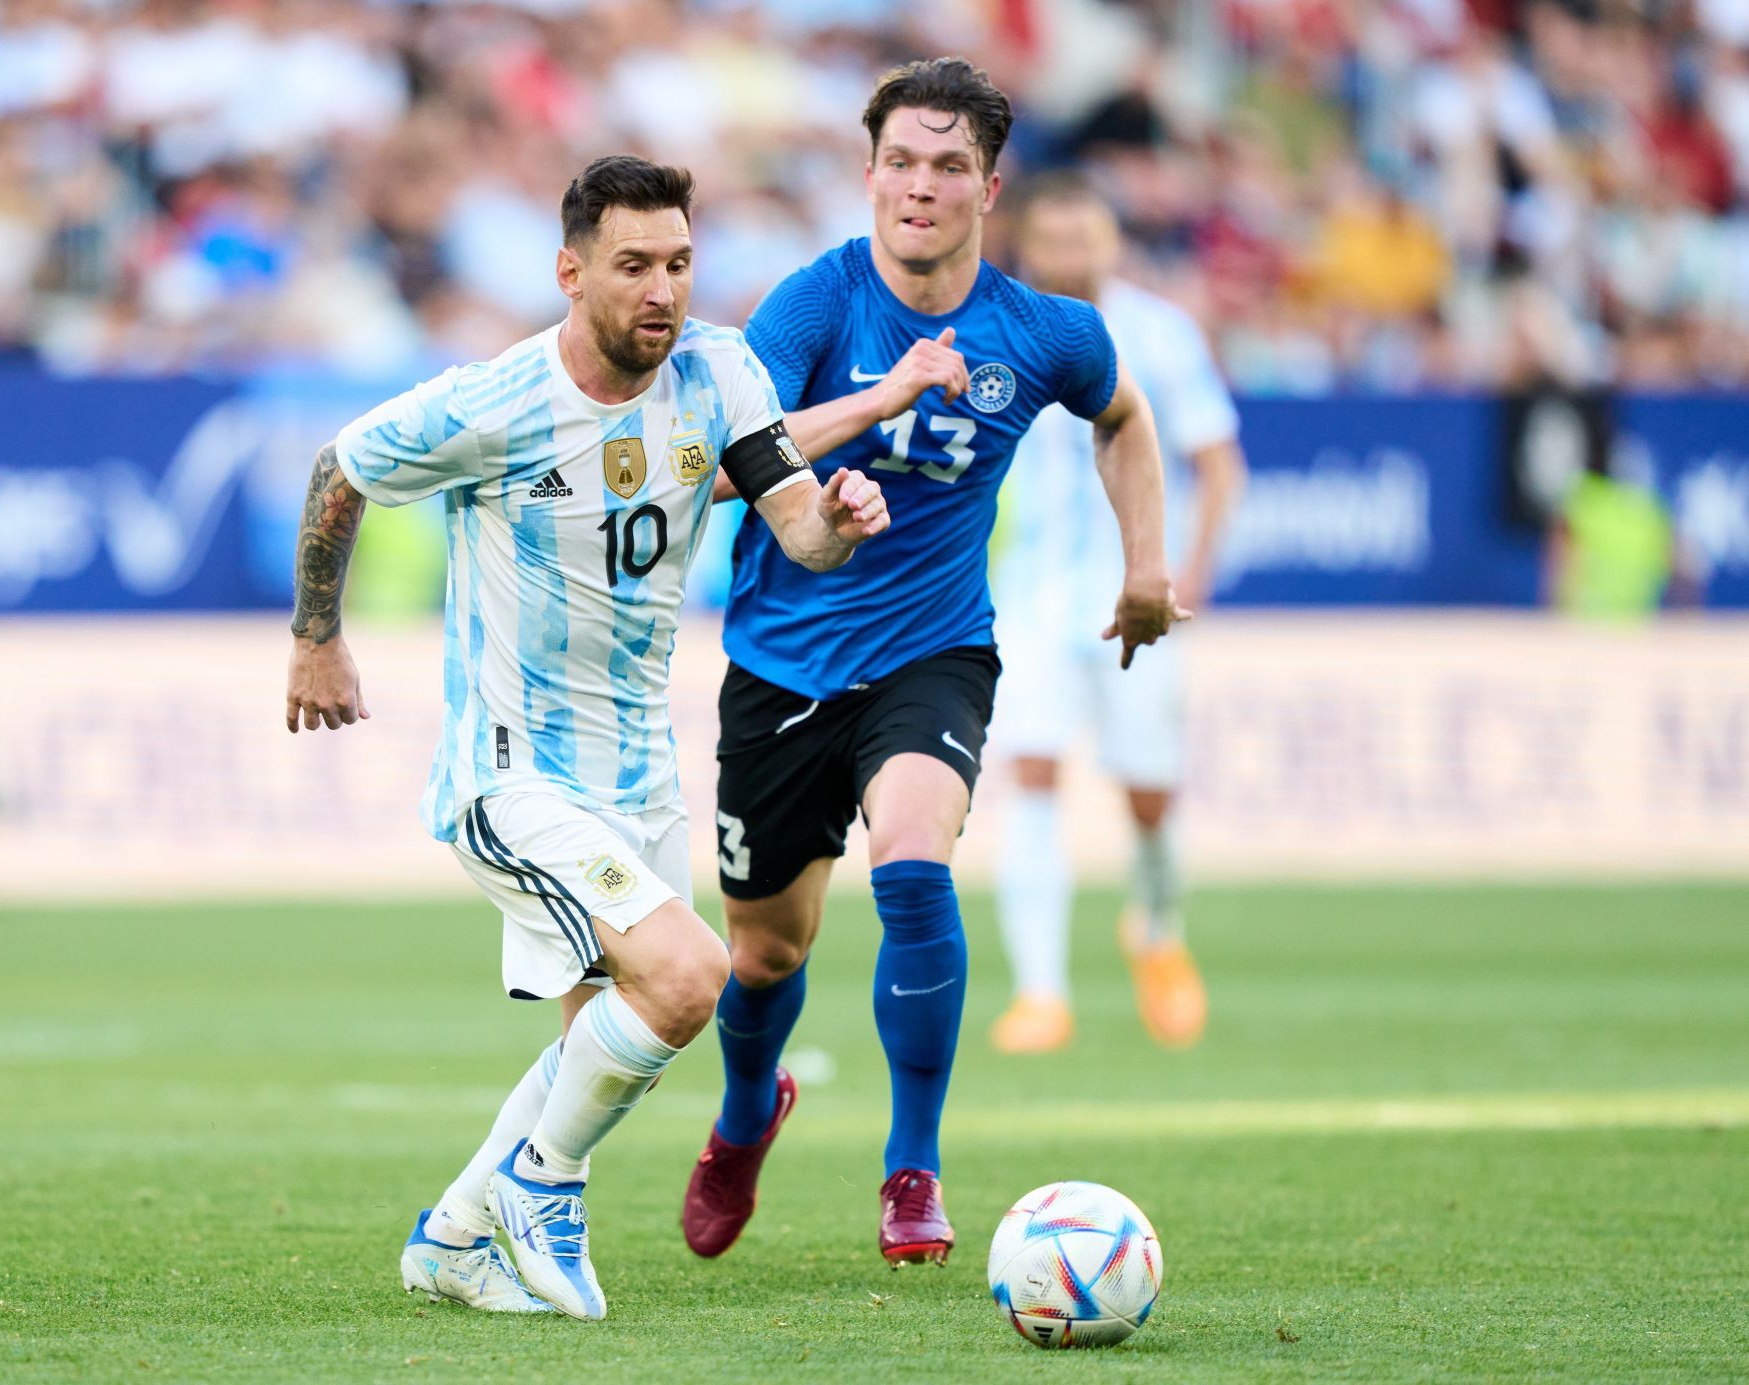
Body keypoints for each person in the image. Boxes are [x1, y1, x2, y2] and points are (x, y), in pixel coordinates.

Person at [282, 155, 889, 1321]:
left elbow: (793, 523)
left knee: (603, 1038)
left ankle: (455, 1237)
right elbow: (341, 467)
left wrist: (841, 520)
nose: (661, 290)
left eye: (677, 263)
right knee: (690, 972)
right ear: (570, 271)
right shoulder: (496, 402)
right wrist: (318, 635)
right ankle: (537, 1183)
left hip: (641, 774)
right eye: (632, 266)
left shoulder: (719, 369)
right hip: (511, 775)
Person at [682, 59, 1187, 1269]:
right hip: (782, 661)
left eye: (947, 165)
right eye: (901, 161)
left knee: (915, 863)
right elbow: (714, 454)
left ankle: (914, 1170)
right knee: (765, 951)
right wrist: (883, 401)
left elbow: (1124, 416)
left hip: (935, 653)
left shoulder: (1045, 331)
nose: (920, 185)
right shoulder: (817, 303)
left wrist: (1147, 565)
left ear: (988, 186)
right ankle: (747, 1115)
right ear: (868, 176)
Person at [987, 175, 1248, 1055]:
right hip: (1028, 602)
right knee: (1030, 777)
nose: (1069, 256)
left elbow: (1221, 463)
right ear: (1027, 246)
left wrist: (1191, 571)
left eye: (1084, 238)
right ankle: (1040, 994)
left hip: (1138, 593)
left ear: (1113, 244)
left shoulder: (1160, 336)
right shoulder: (991, 326)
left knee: (1148, 796)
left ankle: (1158, 929)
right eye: (1052, 240)